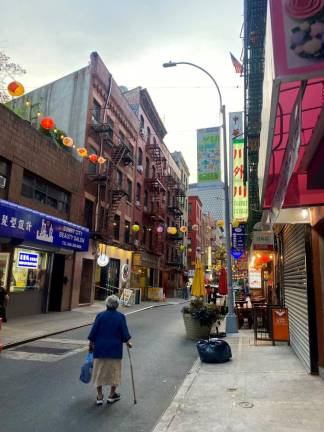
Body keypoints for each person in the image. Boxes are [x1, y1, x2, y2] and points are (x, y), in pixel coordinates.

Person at [88, 294, 132, 406]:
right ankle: (111, 396)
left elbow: (93, 333)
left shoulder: (100, 316)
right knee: (114, 373)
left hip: (100, 349)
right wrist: (128, 342)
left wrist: (90, 345)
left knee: (99, 373)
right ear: (117, 305)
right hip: (114, 350)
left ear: (106, 304)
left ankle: (99, 396)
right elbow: (124, 334)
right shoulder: (120, 317)